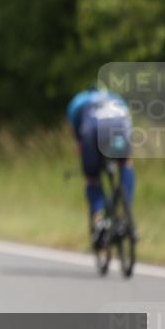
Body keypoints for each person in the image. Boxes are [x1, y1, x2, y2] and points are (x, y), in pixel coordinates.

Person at [66, 86, 135, 247]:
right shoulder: (114, 97)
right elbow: (128, 121)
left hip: (91, 132)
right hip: (118, 128)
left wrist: (79, 144)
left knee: (92, 178)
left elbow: (75, 130)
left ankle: (99, 219)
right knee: (125, 162)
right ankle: (126, 212)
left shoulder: (78, 100)